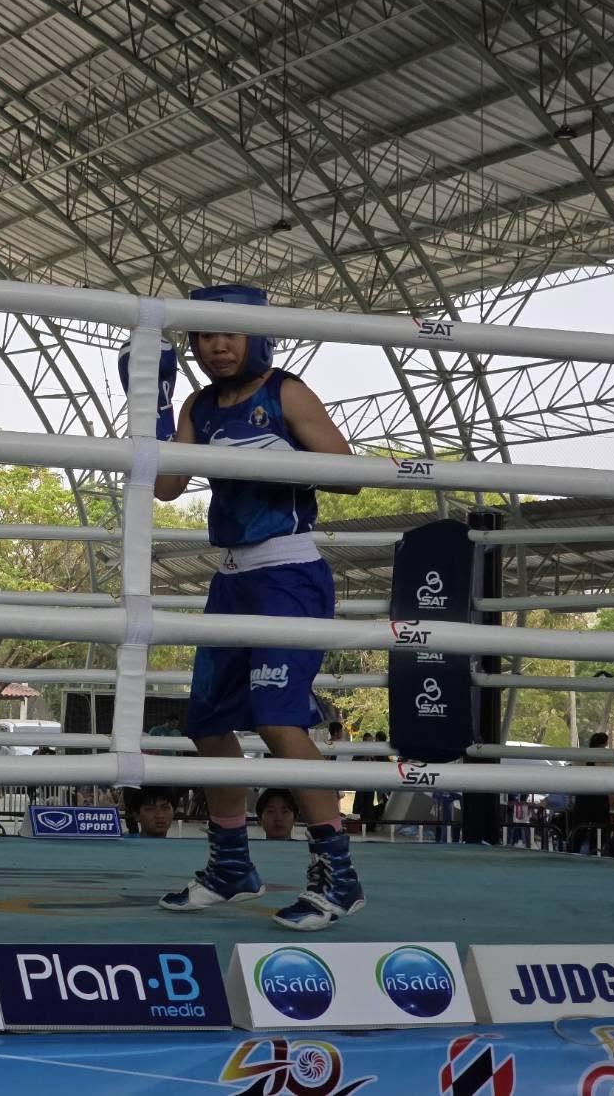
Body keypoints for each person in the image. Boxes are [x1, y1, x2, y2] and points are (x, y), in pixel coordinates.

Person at [141, 284, 364, 931]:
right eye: (206, 334)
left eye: (228, 332)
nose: (216, 344)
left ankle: (337, 874)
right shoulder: (199, 405)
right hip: (232, 579)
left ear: (254, 335)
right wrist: (152, 403)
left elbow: (347, 472)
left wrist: (283, 460)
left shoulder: (284, 392)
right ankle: (232, 864)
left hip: (289, 574)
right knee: (207, 722)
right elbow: (164, 487)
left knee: (274, 718)